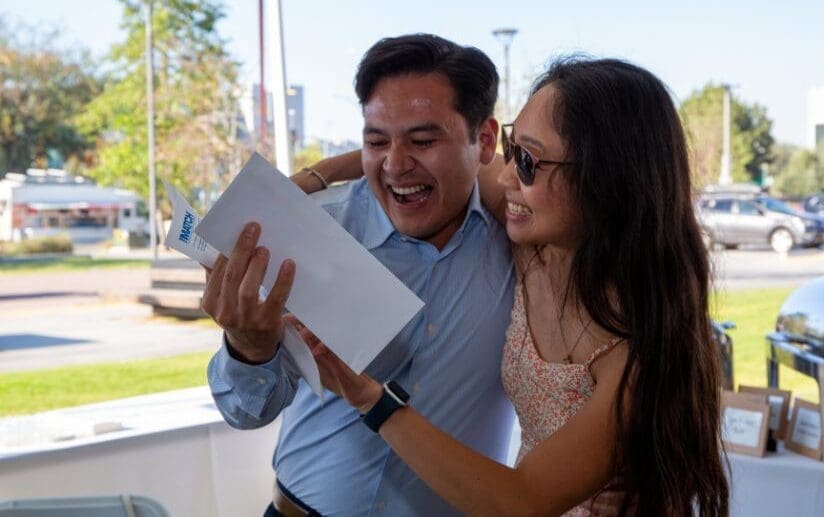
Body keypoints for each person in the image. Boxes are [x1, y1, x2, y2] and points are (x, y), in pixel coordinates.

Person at [296, 57, 730, 516]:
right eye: (510, 144)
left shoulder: (641, 339)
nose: (505, 175)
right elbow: (422, 155)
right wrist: (312, 179)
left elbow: (522, 500)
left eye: (525, 159)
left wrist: (370, 397)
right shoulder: (537, 244)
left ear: (606, 176)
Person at [202, 34, 517, 516]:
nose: (394, 165)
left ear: (486, 139)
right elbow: (246, 412)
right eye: (376, 141)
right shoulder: (310, 232)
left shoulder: (524, 247)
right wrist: (248, 348)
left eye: (423, 140)